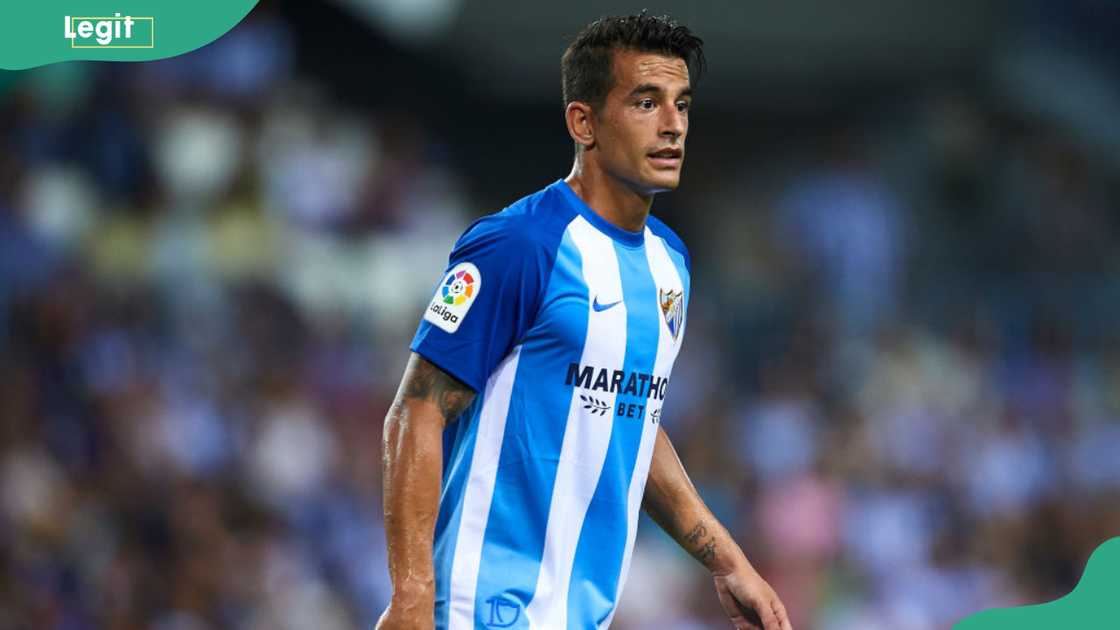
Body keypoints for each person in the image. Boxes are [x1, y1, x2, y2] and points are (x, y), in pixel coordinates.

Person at [377, 13, 792, 630]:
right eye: (646, 102)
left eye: (682, 105)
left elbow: (631, 418)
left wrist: (729, 562)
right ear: (584, 122)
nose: (673, 125)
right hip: (475, 609)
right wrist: (411, 599)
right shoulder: (520, 244)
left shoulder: (669, 265)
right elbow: (417, 409)